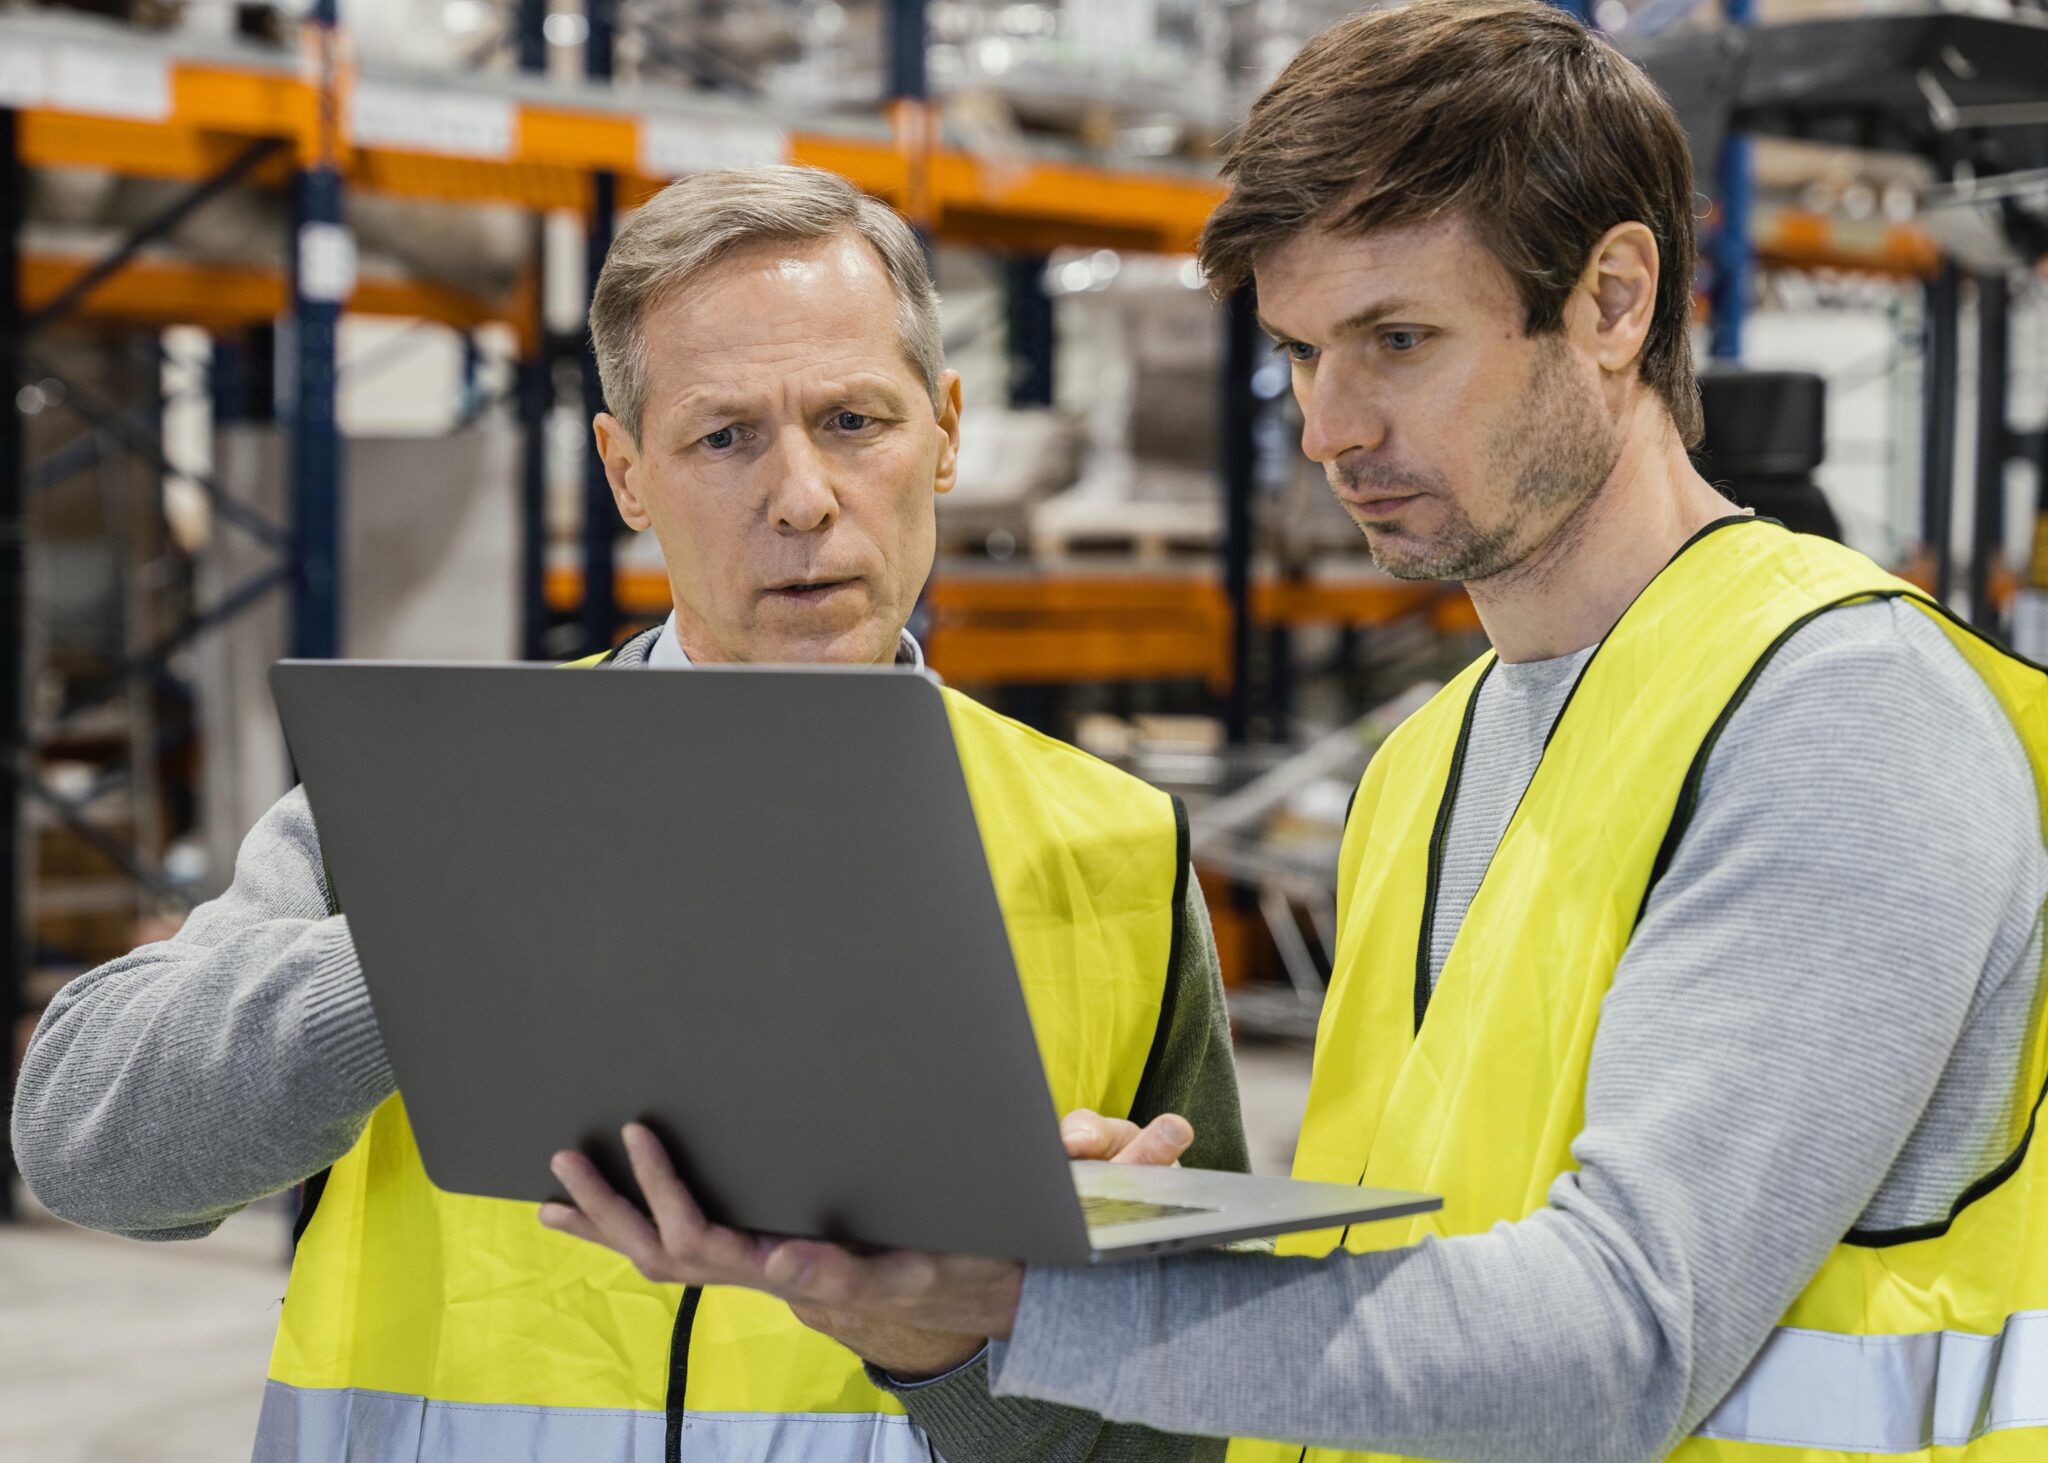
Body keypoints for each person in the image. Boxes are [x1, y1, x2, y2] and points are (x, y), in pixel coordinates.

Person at [540, 7, 2048, 1461]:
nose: (1329, 427)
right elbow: (1395, 1274)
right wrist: (1080, 1229)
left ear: (1613, 302)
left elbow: (1627, 1337)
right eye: (1306, 353)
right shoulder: (1425, 765)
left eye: (1398, 339)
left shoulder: (1837, 716)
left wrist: (1017, 1289)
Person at [11, 165, 1246, 1463]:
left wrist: (1017, 1319)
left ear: (943, 429)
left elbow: (1196, 1421)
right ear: (625, 473)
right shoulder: (436, 801)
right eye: (724, 438)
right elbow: (91, 1150)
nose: (804, 497)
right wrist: (443, 945)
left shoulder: (1113, 847)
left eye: (852, 421)